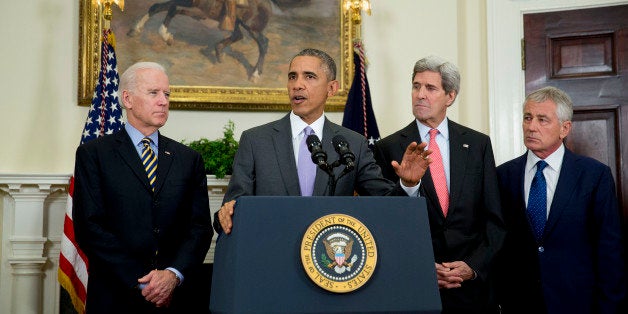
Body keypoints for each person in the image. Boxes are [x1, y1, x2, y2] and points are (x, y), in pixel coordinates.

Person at [214, 48, 432, 234]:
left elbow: (385, 203)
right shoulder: (255, 141)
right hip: (273, 255)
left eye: (309, 76)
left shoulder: (353, 143)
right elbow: (231, 210)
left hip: (331, 262)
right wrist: (227, 212)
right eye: (292, 77)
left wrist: (408, 185)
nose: (297, 85)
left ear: (332, 88)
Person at [73, 62, 213, 313]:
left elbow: (199, 228)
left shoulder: (188, 158)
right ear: (127, 98)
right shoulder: (94, 155)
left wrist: (172, 275)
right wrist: (145, 283)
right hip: (115, 296)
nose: (163, 101)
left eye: (167, 94)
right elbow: (89, 228)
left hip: (175, 297)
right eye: (154, 93)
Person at [373, 55, 505, 313]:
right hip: (415, 288)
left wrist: (472, 268)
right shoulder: (388, 147)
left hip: (471, 293)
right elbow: (385, 223)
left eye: (430, 88)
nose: (420, 94)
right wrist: (407, 186)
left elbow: (494, 221)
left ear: (450, 96)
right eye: (416, 86)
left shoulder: (478, 145)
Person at [495, 86, 625, 313]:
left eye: (542, 119)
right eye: (528, 118)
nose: (531, 126)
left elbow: (609, 251)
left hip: (578, 304)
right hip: (519, 304)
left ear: (564, 128)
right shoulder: (502, 176)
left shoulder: (594, 176)